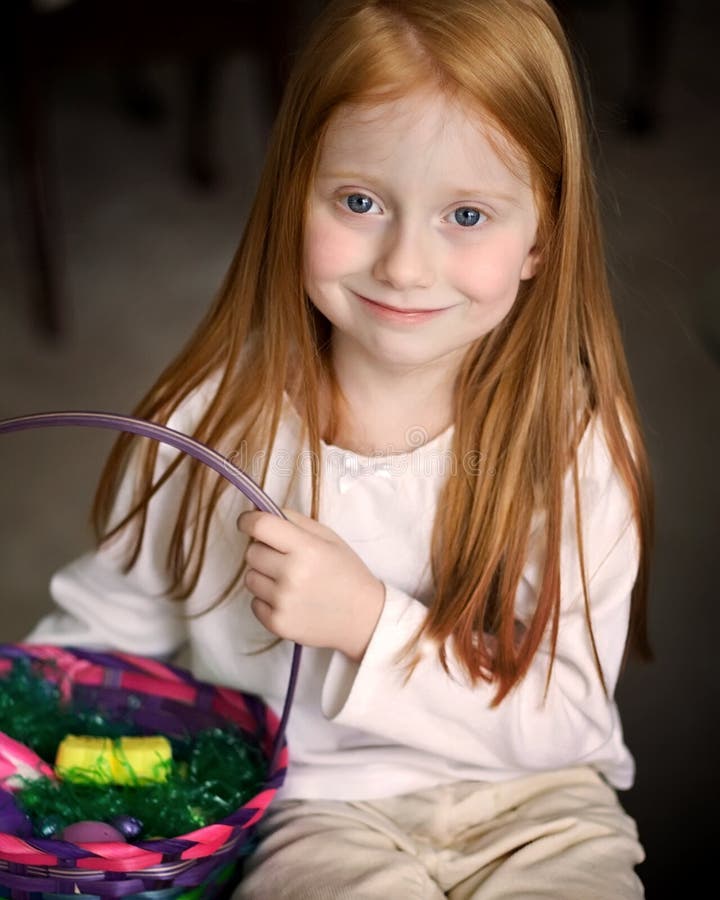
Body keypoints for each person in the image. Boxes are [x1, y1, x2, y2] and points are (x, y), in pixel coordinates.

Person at [26, 0, 654, 897]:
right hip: (317, 813)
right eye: (359, 201)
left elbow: (567, 715)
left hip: (540, 803)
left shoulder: (571, 440)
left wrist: (370, 624)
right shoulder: (210, 426)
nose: (403, 265)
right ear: (296, 195)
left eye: (467, 216)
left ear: (541, 239)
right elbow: (113, 623)